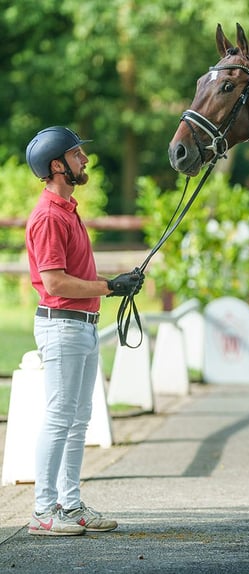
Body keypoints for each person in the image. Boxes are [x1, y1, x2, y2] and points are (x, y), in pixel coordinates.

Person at [24, 126, 144, 536]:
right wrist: (111, 287)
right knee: (60, 418)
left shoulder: (69, 211)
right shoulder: (48, 217)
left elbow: (75, 274)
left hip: (84, 326)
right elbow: (55, 282)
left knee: (78, 420)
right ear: (57, 165)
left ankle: (70, 505)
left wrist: (115, 282)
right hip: (63, 327)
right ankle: (43, 511)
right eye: (76, 155)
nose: (85, 160)